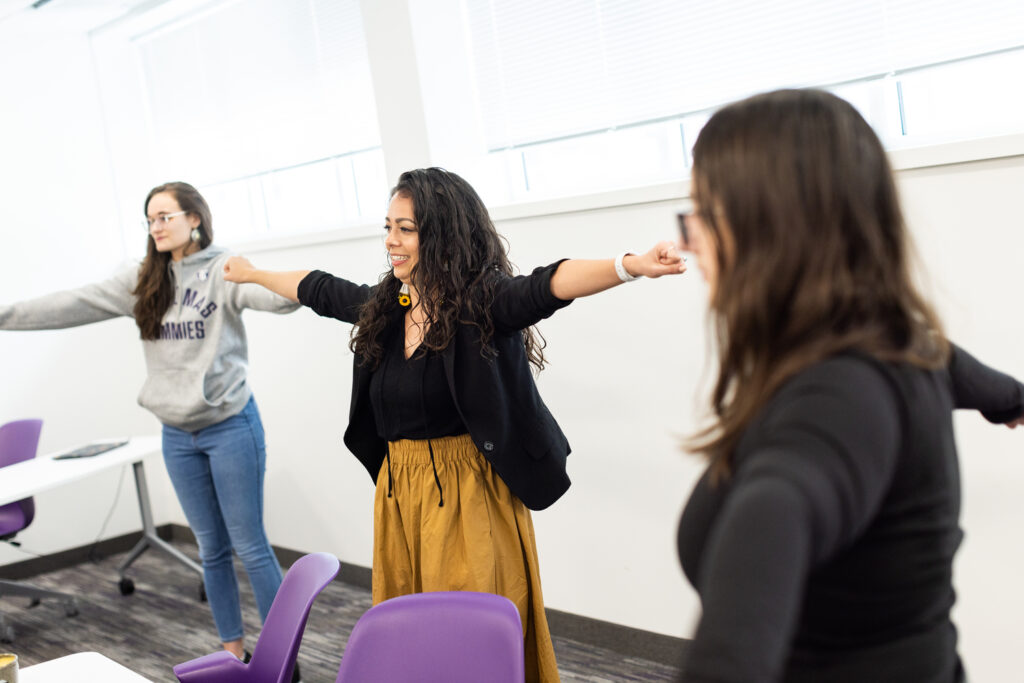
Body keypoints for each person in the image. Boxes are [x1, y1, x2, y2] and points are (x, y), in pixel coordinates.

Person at [221, 166, 687, 683]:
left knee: (469, 637)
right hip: (401, 494)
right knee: (409, 634)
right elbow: (318, 289)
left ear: (439, 233)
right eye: (388, 227)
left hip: (468, 494)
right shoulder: (388, 306)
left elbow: (548, 285)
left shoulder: (481, 301)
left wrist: (631, 265)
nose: (391, 242)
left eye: (405, 229)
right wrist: (252, 273)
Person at [674, 89, 1024, 682]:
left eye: (703, 214)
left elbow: (779, 502)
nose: (689, 239)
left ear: (773, 226)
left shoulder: (837, 399)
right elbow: (970, 375)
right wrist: (1011, 401)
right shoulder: (895, 342)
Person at [0, 182, 302, 675]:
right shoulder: (142, 279)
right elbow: (68, 304)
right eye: (150, 219)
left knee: (250, 543)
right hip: (177, 434)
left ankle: (281, 659)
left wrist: (271, 277)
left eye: (165, 216)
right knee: (211, 547)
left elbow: (279, 300)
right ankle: (231, 653)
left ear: (194, 219)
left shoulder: (224, 269)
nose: (156, 227)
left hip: (230, 426)